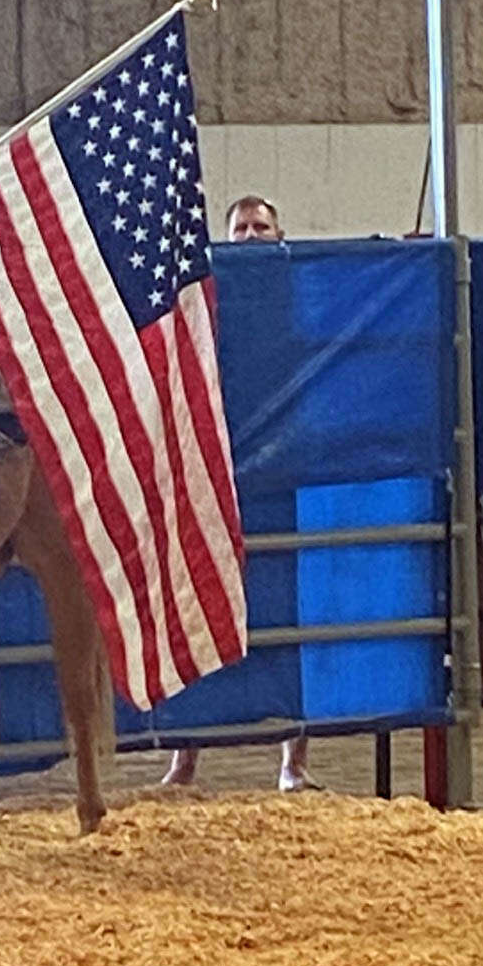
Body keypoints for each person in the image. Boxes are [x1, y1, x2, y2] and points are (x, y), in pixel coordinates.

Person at [160, 194, 320, 793]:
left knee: (287, 620)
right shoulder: (203, 300)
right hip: (209, 473)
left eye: (262, 227)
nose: (251, 237)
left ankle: (293, 763)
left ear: (281, 234)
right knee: (193, 612)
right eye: (241, 228)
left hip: (279, 477)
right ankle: (184, 760)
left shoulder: (295, 298)